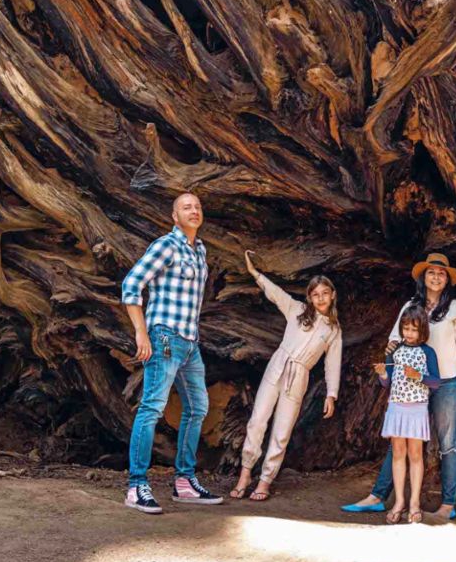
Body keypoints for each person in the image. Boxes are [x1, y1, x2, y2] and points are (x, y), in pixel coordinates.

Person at [342, 253, 456, 520]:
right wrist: (388, 365)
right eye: (431, 272)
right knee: (399, 442)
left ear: (447, 280)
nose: (436, 276)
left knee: (448, 444)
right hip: (411, 387)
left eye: (441, 273)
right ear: (423, 277)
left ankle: (448, 503)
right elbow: (395, 340)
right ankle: (378, 496)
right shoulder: (411, 306)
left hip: (448, 381)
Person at [120, 192, 223, 514]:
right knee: (152, 408)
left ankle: (184, 482)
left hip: (190, 342)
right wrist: (141, 331)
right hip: (164, 337)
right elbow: (131, 284)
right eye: (186, 208)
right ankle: (137, 486)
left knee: (197, 408)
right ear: (174, 217)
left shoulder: (200, 249)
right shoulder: (166, 245)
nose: (194, 211)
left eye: (197, 207)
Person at [230, 250, 342, 501]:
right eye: (316, 294)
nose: (321, 298)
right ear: (310, 298)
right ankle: (245, 474)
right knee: (258, 419)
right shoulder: (297, 309)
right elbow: (275, 293)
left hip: (299, 375)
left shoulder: (334, 329)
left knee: (282, 430)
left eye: (325, 293)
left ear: (332, 295)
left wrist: (331, 394)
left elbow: (332, 363)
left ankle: (265, 480)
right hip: (278, 365)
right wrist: (254, 273)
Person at [372, 305, 441, 524]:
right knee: (398, 453)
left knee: (416, 455)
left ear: (423, 332)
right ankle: (399, 501)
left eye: (414, 330)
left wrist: (418, 375)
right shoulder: (395, 351)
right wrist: (383, 373)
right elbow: (387, 383)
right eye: (406, 329)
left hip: (417, 408)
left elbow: (436, 382)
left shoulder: (428, 352)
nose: (409, 334)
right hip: (397, 407)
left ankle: (414, 503)